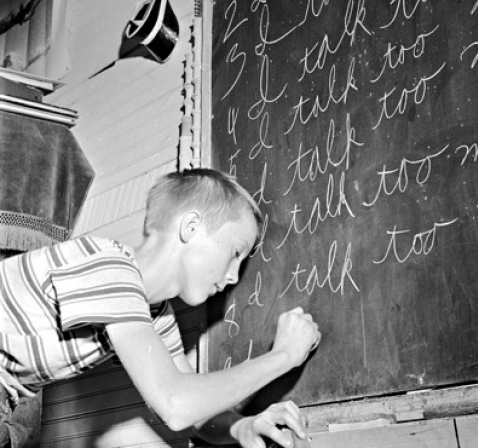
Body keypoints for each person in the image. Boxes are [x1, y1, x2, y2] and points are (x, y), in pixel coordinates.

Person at [0, 168, 321, 448]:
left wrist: (242, 426)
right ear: (191, 227)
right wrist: (285, 355)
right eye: (235, 252)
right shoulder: (112, 269)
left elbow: (195, 413)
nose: (234, 276)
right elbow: (176, 403)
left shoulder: (155, 314)